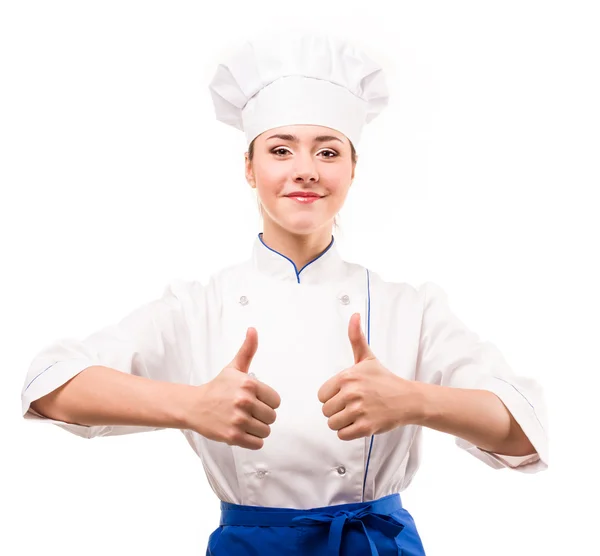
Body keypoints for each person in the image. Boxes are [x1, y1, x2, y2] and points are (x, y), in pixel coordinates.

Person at [20, 31, 548, 555]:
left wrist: (415, 401)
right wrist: (190, 405)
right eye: (280, 150)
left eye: (327, 151)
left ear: (352, 168)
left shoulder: (410, 308)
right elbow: (50, 384)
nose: (305, 171)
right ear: (249, 168)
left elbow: (523, 431)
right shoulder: (198, 307)